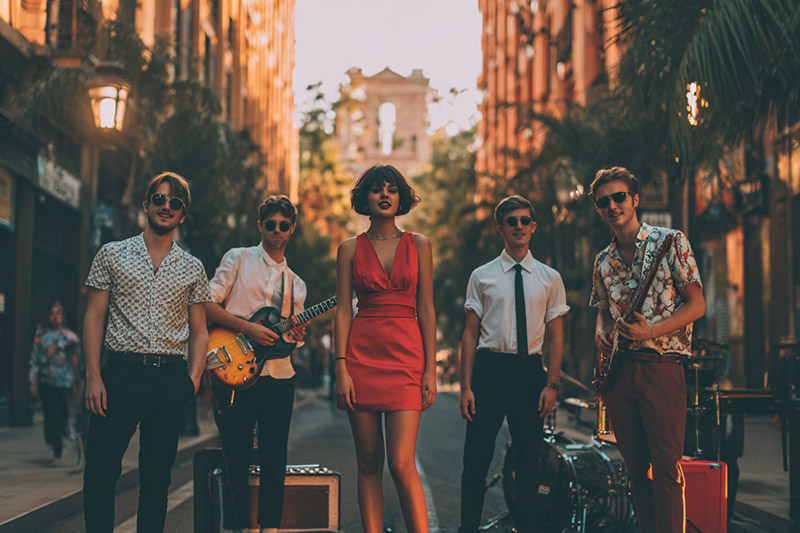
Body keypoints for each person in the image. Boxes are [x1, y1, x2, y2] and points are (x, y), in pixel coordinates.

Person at [82, 172, 210, 533]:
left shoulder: (193, 268)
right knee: (100, 476)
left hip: (169, 378)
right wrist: (93, 376)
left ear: (182, 215)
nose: (166, 206)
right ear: (146, 205)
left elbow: (200, 332)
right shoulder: (112, 254)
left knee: (156, 483)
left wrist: (192, 381)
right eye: (159, 198)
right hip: (119, 376)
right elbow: (94, 316)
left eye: (175, 203)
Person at [590, 166, 705, 533]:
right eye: (604, 201)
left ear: (635, 199)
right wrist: (601, 332)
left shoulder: (671, 241)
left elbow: (697, 305)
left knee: (667, 471)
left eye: (619, 196)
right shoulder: (602, 262)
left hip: (662, 366)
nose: (613, 205)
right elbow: (604, 313)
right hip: (620, 373)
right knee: (636, 473)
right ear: (599, 209)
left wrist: (650, 331)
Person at [334, 165, 437, 533]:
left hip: (407, 359)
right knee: (368, 462)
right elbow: (344, 310)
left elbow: (425, 308)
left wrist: (430, 370)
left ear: (400, 198)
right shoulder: (348, 249)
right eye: (377, 189)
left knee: (401, 463)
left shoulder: (419, 244)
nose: (385, 195)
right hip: (361, 358)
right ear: (365, 198)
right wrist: (341, 366)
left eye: (392, 189)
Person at [458, 195, 569, 533]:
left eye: (524, 220)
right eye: (511, 221)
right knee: (475, 461)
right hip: (489, 372)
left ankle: (527, 528)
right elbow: (469, 335)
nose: (518, 226)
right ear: (500, 228)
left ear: (533, 226)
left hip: (528, 375)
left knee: (529, 463)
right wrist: (465, 386)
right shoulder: (482, 275)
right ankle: (468, 528)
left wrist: (551, 384)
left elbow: (556, 337)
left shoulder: (550, 278)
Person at [206, 195, 307, 533]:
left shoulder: (297, 284)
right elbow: (206, 303)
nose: (277, 230)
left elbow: (290, 340)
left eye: (284, 225)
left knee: (274, 457)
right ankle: (239, 528)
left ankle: (270, 528)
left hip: (279, 377)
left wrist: (296, 334)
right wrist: (245, 327)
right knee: (234, 456)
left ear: (292, 230)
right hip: (233, 372)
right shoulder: (237, 259)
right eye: (270, 224)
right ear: (260, 225)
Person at [29, 302, 82, 465]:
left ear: (62, 315)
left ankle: (69, 441)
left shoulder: (69, 337)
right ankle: (57, 449)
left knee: (62, 416)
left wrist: (75, 379)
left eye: (58, 312)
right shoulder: (41, 337)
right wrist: (33, 382)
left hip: (63, 382)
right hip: (46, 382)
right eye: (52, 313)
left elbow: (75, 360)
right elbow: (34, 360)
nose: (55, 316)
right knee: (50, 416)